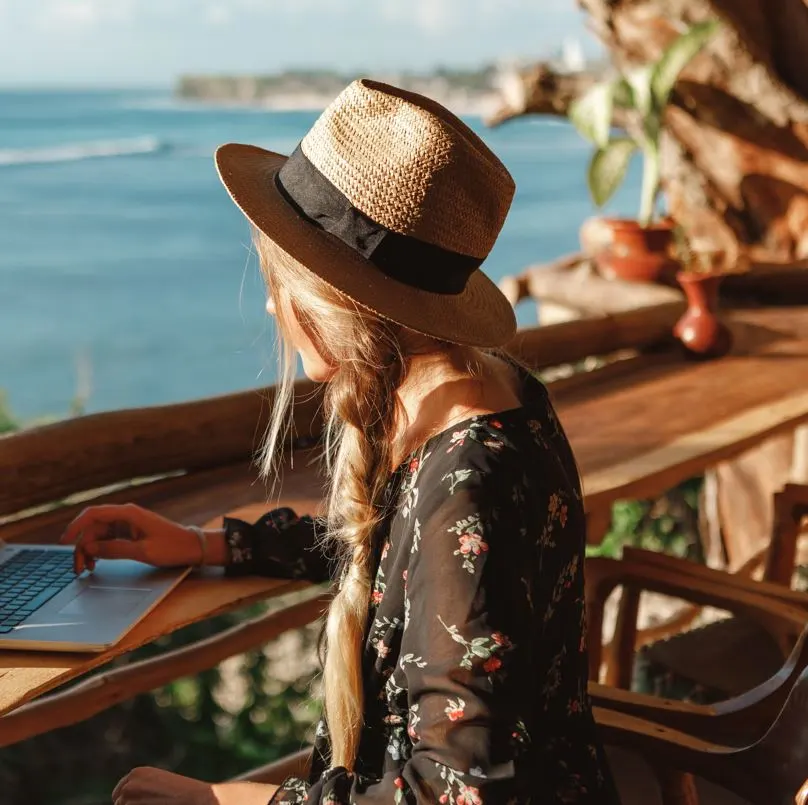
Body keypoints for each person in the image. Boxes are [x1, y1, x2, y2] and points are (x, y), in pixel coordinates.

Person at [61, 79, 621, 805]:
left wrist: (229, 799)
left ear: (337, 302)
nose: (270, 303)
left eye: (280, 282)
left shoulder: (469, 480)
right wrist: (206, 546)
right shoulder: (486, 394)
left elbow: (451, 791)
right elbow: (407, 560)